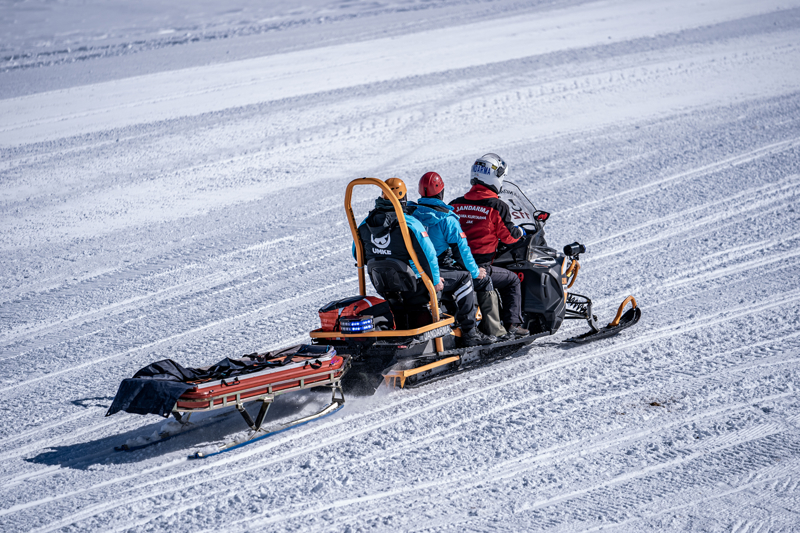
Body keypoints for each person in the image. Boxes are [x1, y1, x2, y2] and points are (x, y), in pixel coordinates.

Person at [355, 178, 492, 347]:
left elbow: (357, 254)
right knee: (464, 278)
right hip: (414, 284)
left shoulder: (364, 224)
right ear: (404, 197)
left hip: (384, 284)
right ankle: (470, 333)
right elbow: (428, 254)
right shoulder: (409, 223)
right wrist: (434, 280)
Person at [408, 171, 499, 343]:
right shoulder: (446, 219)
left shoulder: (412, 215)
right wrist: (475, 271)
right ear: (441, 192)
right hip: (436, 269)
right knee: (468, 278)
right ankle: (472, 332)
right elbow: (462, 252)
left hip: (415, 270)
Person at [449, 154, 530, 338]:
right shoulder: (496, 206)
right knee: (512, 280)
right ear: (495, 177)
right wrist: (521, 232)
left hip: (455, 266)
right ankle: (512, 325)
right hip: (480, 267)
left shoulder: (455, 204)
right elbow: (508, 237)